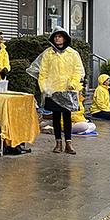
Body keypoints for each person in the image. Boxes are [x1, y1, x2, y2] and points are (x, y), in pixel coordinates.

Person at [37, 27, 84, 155]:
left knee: (67, 116)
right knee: (56, 117)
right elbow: (43, 73)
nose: (57, 38)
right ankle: (58, 143)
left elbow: (77, 70)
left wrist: (74, 84)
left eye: (60, 36)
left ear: (65, 38)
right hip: (53, 91)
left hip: (68, 90)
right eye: (56, 36)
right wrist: (44, 88)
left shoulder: (73, 54)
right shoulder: (48, 54)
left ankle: (69, 143)